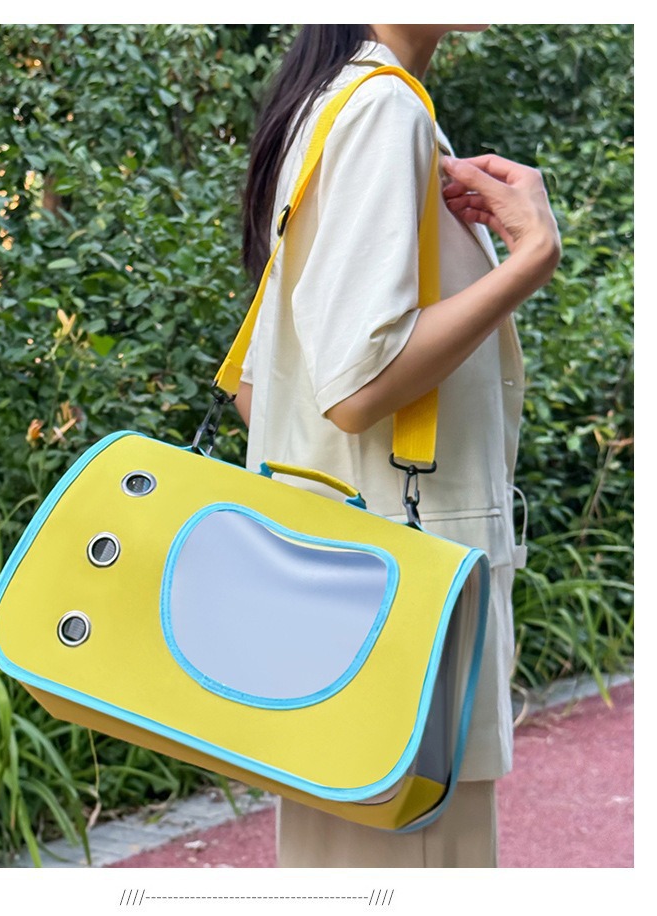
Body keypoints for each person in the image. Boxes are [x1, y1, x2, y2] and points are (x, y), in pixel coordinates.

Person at [232, 25, 561, 868]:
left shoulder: (333, 101)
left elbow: (261, 388)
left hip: (325, 607)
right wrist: (530, 257)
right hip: (403, 616)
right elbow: (356, 387)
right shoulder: (383, 109)